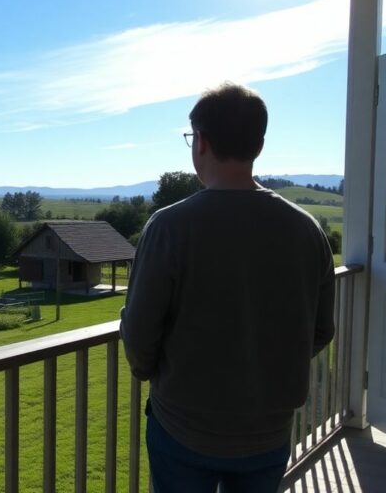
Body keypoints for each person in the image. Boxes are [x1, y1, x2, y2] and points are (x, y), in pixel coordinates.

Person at [120, 83, 334, 493]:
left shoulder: (169, 227)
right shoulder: (306, 229)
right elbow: (322, 329)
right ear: (259, 143)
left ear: (200, 141)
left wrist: (152, 373)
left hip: (183, 426)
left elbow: (140, 333)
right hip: (269, 430)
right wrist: (267, 367)